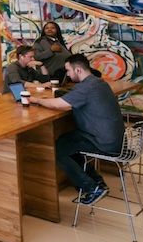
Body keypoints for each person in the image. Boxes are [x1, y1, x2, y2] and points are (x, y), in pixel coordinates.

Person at [28, 54, 124, 206]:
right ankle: (97, 181)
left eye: (68, 70)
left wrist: (37, 100)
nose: (67, 74)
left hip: (103, 142)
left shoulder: (87, 87)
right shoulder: (99, 83)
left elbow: (60, 104)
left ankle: (92, 188)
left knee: (59, 149)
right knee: (68, 143)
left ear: (78, 70)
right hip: (112, 138)